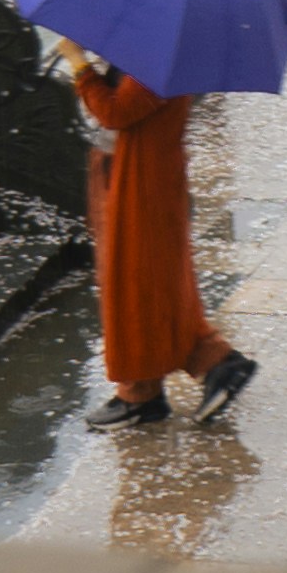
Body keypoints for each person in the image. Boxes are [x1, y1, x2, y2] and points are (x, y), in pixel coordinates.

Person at [61, 43, 259, 428]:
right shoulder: (150, 44)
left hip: (142, 182)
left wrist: (79, 65)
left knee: (137, 279)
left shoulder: (159, 53)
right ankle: (154, 385)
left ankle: (170, 379)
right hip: (128, 172)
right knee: (144, 278)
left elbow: (117, 111)